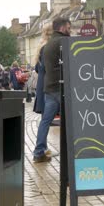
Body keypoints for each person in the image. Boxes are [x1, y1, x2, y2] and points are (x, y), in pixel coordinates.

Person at [33, 17, 71, 163]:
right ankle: (73, 153)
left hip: (49, 88)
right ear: (62, 28)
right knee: (70, 121)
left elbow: (39, 68)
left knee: (45, 121)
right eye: (68, 27)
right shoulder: (63, 42)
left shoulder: (45, 47)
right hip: (61, 88)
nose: (70, 30)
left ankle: (38, 152)